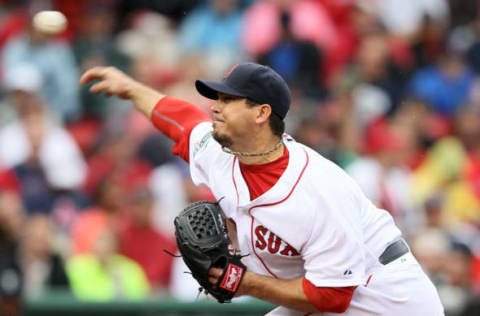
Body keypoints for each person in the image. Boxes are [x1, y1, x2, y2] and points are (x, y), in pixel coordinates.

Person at [80, 62, 444, 315]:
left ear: (261, 113)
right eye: (216, 99)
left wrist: (243, 282)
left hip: (387, 296)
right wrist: (131, 90)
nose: (214, 108)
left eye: (227, 100)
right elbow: (181, 120)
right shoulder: (222, 152)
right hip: (330, 293)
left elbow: (333, 296)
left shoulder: (318, 189)